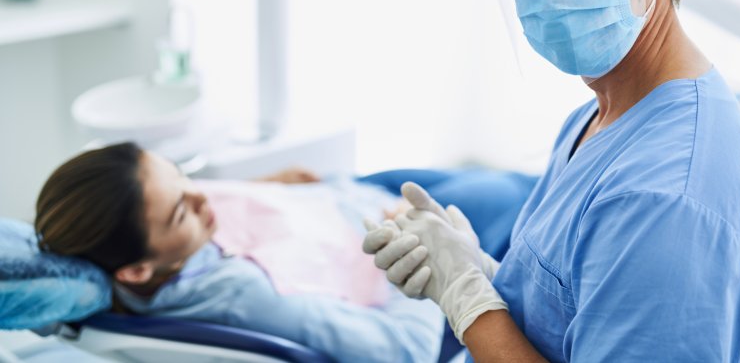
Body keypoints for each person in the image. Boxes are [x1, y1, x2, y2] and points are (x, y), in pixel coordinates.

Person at [362, 0, 740, 362]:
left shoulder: (667, 200)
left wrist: (466, 298)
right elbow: (566, 310)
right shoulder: (601, 113)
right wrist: (476, 271)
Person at [34, 142, 536, 363]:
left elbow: (183, 201)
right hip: (407, 241)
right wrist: (422, 262)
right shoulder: (239, 296)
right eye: (181, 211)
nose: (203, 196)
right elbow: (404, 352)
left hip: (354, 194)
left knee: (510, 186)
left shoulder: (161, 238)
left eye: (181, 177)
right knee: (524, 196)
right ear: (138, 268)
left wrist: (266, 191)